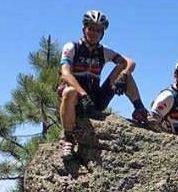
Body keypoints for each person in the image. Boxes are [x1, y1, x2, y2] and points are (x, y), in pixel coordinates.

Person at [58, 10, 148, 157]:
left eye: (98, 30)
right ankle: (68, 139)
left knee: (124, 72)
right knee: (69, 91)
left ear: (102, 33)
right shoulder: (72, 47)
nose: (94, 32)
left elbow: (129, 62)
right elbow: (65, 73)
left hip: (96, 99)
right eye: (91, 28)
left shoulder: (104, 51)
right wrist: (82, 94)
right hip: (77, 99)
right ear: (84, 29)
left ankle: (139, 109)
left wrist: (123, 76)